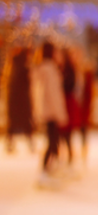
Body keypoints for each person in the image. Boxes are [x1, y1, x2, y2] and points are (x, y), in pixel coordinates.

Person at [35, 41, 68, 187]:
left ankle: (48, 169)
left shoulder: (47, 68)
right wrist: (60, 114)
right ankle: (44, 171)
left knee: (53, 142)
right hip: (51, 112)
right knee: (52, 142)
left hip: (49, 111)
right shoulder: (49, 69)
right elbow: (53, 95)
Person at [4, 46, 35, 153]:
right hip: (22, 102)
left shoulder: (12, 68)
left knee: (13, 124)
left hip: (14, 101)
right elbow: (28, 85)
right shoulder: (23, 69)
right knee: (26, 123)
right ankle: (30, 145)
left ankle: (10, 145)